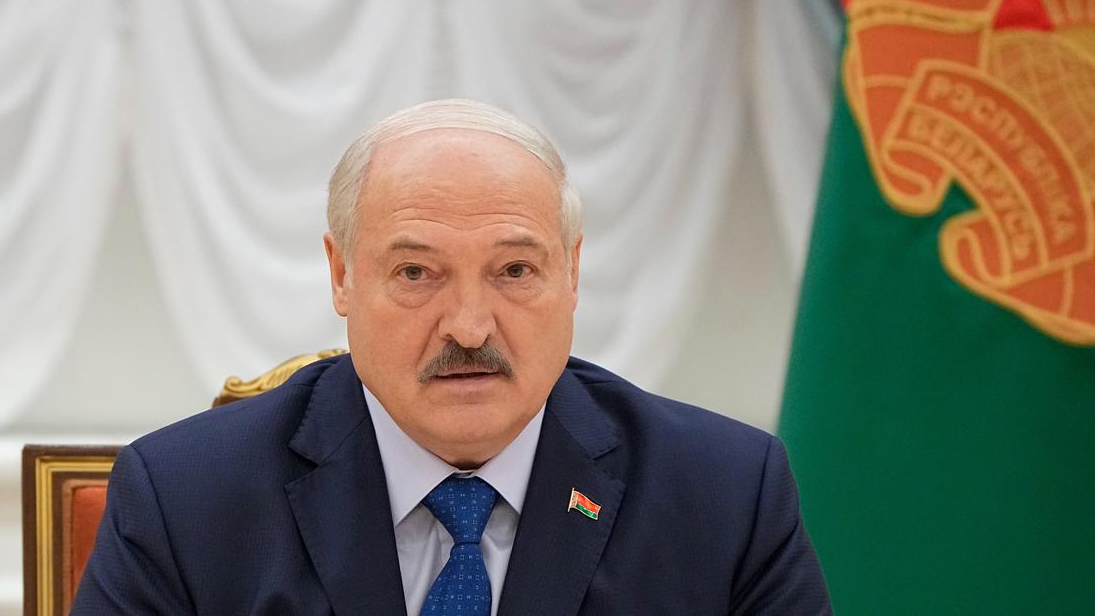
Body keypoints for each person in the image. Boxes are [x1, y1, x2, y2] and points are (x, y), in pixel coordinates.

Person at [73, 99, 831, 615]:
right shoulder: (186, 501)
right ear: (341, 276)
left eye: (514, 271)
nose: (469, 327)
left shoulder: (725, 497)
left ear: (571, 272)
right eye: (415, 273)